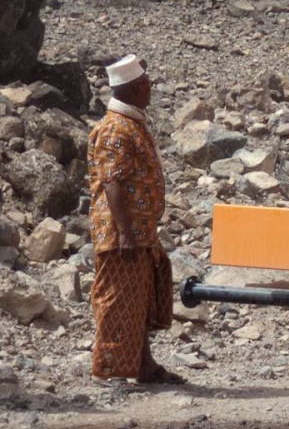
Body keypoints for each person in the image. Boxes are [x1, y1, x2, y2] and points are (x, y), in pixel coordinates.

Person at [87, 54, 185, 386]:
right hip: (122, 234)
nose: (151, 91)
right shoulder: (116, 127)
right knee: (117, 300)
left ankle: (144, 366)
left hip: (140, 231)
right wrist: (124, 233)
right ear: (137, 87)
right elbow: (112, 182)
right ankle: (109, 370)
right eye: (148, 85)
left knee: (139, 300)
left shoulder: (131, 123)